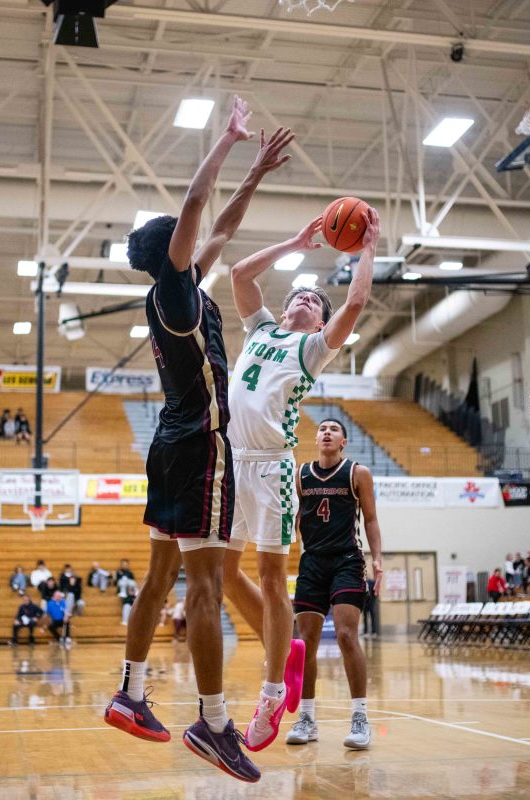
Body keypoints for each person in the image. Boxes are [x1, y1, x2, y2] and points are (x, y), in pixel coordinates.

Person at [103, 97, 289, 784]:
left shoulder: (185, 292)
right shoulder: (174, 291)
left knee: (159, 579)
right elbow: (195, 205)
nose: (198, 235)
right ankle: (213, 723)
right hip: (202, 445)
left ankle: (129, 689)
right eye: (185, 236)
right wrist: (227, 141)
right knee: (205, 586)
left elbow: (222, 221)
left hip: (168, 443)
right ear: (170, 251)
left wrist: (257, 173)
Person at [222, 201, 379, 753]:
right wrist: (294, 242)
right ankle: (285, 646)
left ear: (319, 321)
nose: (307, 302)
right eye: (301, 296)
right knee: (219, 573)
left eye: (316, 302)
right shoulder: (259, 330)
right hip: (230, 461)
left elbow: (356, 301)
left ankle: (270, 693)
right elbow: (239, 274)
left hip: (270, 468)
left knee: (268, 578)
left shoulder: (310, 349)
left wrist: (368, 249)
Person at [285, 419, 382, 750]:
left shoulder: (357, 473)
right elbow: (296, 518)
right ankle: (307, 718)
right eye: (322, 428)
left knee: (345, 635)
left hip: (346, 560)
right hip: (312, 561)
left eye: (334, 429)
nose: (326, 432)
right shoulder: (300, 475)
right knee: (305, 643)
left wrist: (378, 559)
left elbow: (370, 518)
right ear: (316, 439)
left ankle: (360, 717)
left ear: (343, 441)